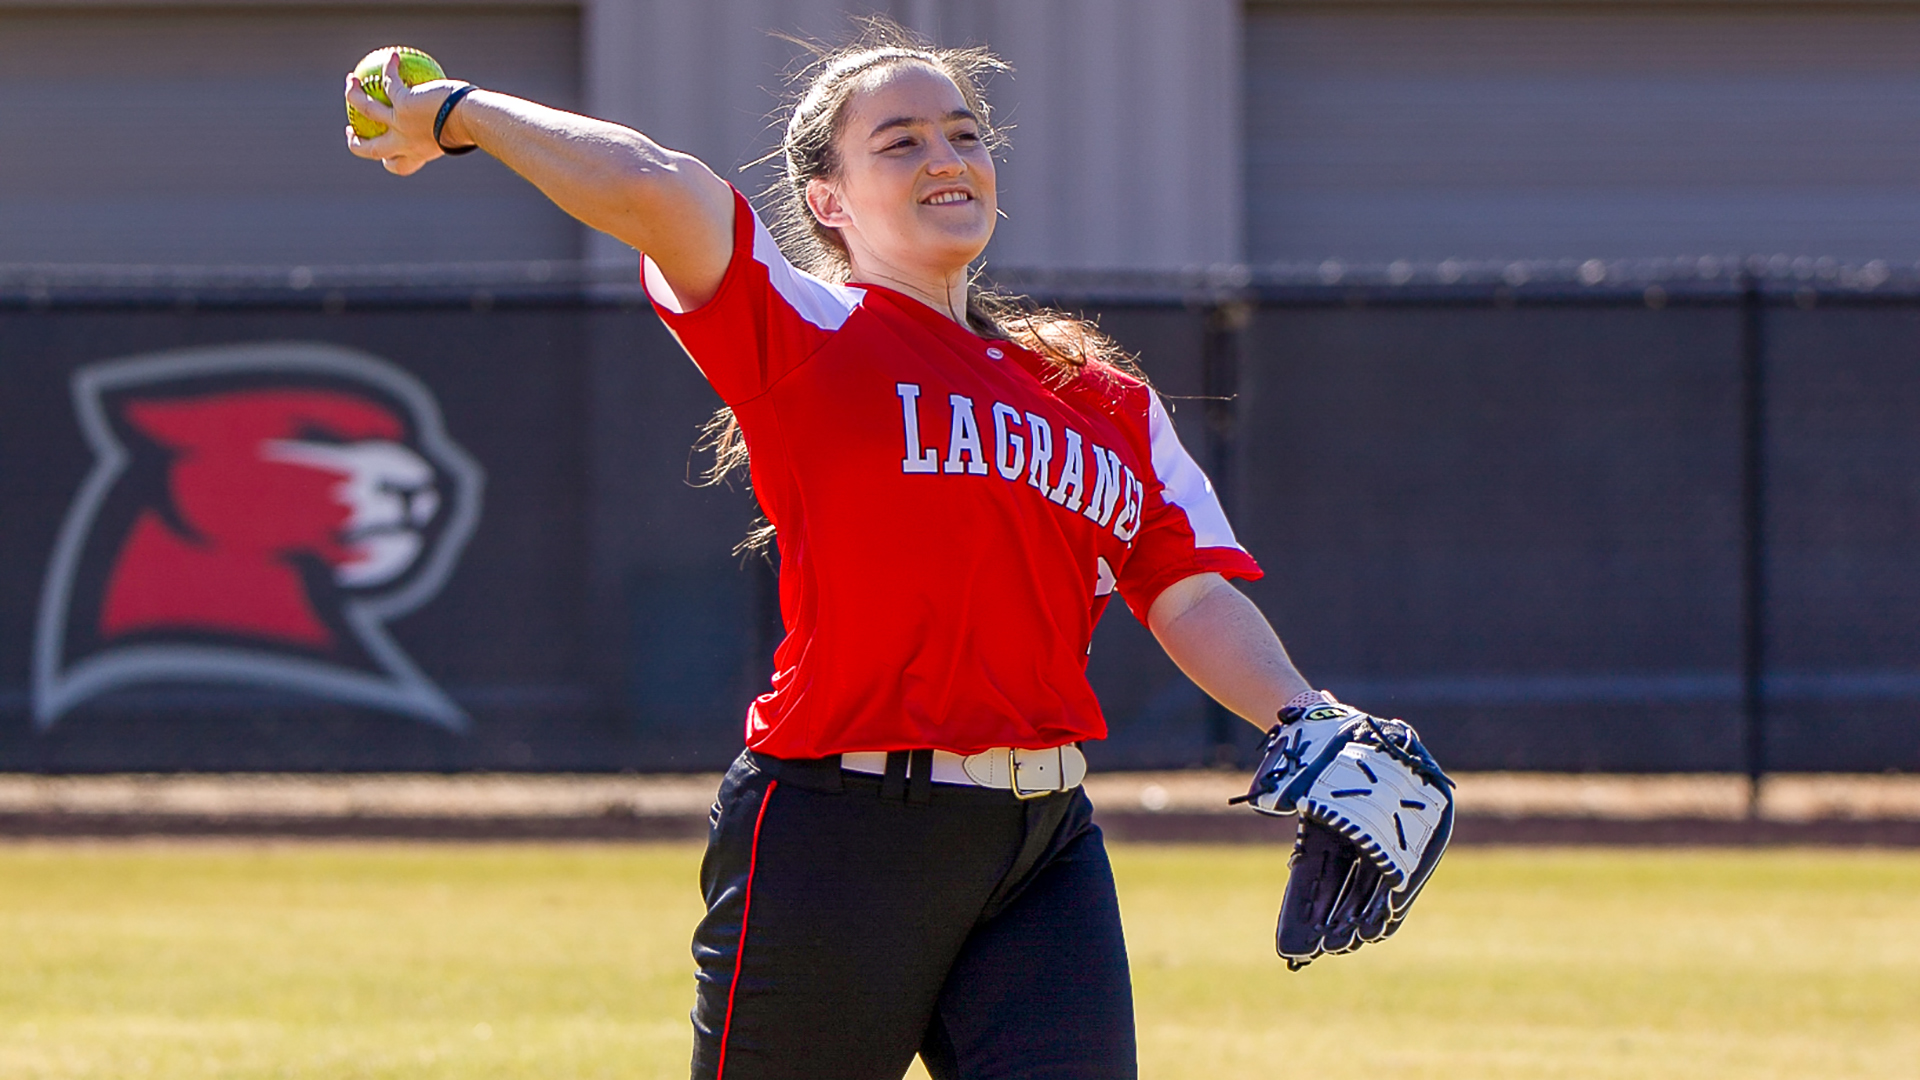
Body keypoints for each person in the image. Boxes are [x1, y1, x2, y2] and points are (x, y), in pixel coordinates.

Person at [346, 20, 1328, 1080]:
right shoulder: (807, 331)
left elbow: (1185, 588)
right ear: (827, 200)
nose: (946, 157)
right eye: (898, 141)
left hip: (1043, 840)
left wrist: (1307, 720)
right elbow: (658, 185)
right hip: (838, 831)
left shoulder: (1102, 400)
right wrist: (462, 114)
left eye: (963, 133)